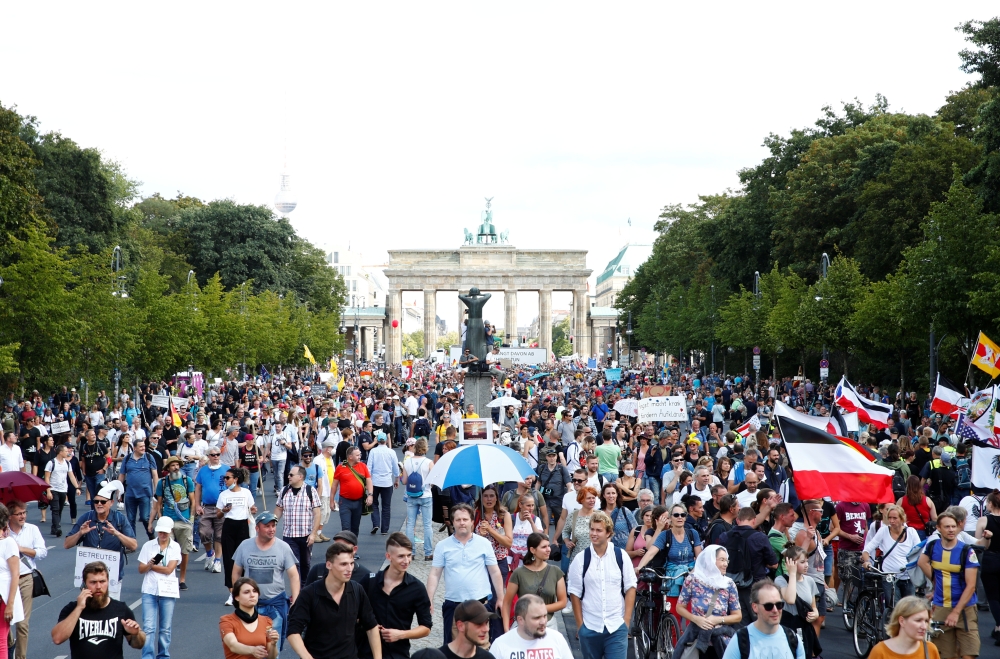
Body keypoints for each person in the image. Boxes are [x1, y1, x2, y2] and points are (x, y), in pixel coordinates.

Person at [286, 541, 382, 659]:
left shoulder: (357, 590)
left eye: (351, 563)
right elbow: (293, 631)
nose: (349, 569)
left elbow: (371, 627)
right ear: (329, 565)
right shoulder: (310, 593)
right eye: (343, 564)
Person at [427, 503, 506, 644]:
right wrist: (429, 599)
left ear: (471, 521)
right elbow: (435, 574)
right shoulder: (442, 546)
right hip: (454, 605)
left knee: (481, 647)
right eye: (458, 520)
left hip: (480, 604)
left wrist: (500, 598)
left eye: (465, 519)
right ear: (452, 522)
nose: (462, 523)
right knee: (453, 648)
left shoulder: (484, 543)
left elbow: (494, 572)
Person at [567, 511, 637, 659]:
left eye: (599, 530)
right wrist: (581, 627)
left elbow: (630, 587)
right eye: (592, 529)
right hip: (590, 627)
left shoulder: (621, 556)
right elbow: (574, 594)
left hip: (616, 627)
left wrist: (626, 621)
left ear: (608, 533)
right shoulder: (580, 559)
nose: (594, 533)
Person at [356, 533, 433, 659]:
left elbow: (426, 627)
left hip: (398, 654)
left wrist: (401, 634)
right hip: (365, 652)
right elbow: (352, 613)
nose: (406, 561)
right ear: (388, 556)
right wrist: (368, 623)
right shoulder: (369, 582)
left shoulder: (417, 588)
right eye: (401, 556)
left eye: (409, 555)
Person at [918, 512, 980, 659]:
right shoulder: (933, 546)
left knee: (968, 654)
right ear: (939, 528)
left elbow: (971, 586)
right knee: (944, 655)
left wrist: (956, 612)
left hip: (965, 610)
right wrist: (936, 585)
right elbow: (921, 562)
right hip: (941, 607)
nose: (951, 530)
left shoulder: (966, 551)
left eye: (954, 526)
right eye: (947, 527)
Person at [232, 512, 299, 648]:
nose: (272, 529)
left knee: (272, 650)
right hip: (250, 607)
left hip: (274, 605)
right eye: (267, 526)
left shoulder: (283, 548)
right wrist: (238, 596)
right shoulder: (245, 546)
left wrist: (296, 601)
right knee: (251, 647)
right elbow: (236, 573)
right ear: (257, 528)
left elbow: (293, 575)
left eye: (273, 526)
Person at [52, 561, 146, 659]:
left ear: (108, 582)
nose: (98, 587)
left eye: (102, 581)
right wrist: (79, 608)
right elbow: (57, 639)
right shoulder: (72, 609)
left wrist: (136, 634)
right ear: (84, 585)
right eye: (93, 582)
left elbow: (138, 645)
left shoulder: (121, 609)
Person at [65, 482, 138, 596]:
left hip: (112, 577)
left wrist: (117, 533)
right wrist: (80, 533)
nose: (99, 504)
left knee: (111, 612)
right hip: (90, 579)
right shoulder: (87, 517)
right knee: (90, 612)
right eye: (96, 501)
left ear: (111, 503)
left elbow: (133, 545)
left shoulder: (119, 519)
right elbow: (67, 544)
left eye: (103, 502)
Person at [673, 545, 742, 659]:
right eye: (722, 560)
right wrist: (696, 619)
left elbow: (738, 616)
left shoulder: (729, 584)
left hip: (721, 640)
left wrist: (718, 619)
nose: (726, 564)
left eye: (726, 560)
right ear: (710, 560)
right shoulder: (693, 580)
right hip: (697, 638)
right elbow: (680, 607)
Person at [720, 579, 806, 659]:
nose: (775, 610)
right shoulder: (740, 640)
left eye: (779, 605)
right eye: (768, 606)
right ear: (755, 607)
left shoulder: (793, 639)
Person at [501, 532, 568, 631]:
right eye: (544, 547)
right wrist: (506, 630)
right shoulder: (519, 573)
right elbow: (506, 603)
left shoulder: (555, 572)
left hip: (548, 626)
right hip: (524, 626)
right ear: (533, 550)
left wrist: (538, 609)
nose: (548, 549)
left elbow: (563, 602)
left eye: (549, 546)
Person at [636, 502, 703, 597]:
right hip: (672, 576)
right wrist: (640, 567)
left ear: (685, 517)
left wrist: (694, 571)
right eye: (676, 515)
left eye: (682, 515)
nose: (679, 517)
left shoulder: (693, 533)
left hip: (691, 577)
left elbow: (700, 557)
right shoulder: (665, 535)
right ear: (670, 518)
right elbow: (651, 552)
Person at [150, 457, 196, 590]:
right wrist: (160, 519)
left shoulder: (187, 481)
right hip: (168, 521)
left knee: (184, 551)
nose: (176, 467)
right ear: (168, 468)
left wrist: (191, 518)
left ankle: (182, 579)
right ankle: (166, 577)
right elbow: (158, 503)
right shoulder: (162, 483)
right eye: (173, 465)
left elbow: (193, 500)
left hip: (184, 520)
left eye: (177, 465)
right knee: (164, 550)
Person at [137, 517, 181, 659]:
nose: (162, 535)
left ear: (171, 532)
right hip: (149, 590)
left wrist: (151, 566)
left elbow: (169, 570)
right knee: (149, 628)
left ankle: (163, 656)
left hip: (168, 591)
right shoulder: (148, 546)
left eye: (165, 533)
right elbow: (141, 569)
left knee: (165, 629)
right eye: (160, 532)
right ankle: (147, 656)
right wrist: (149, 566)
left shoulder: (175, 547)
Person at [274, 465, 322, 585]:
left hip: (305, 535)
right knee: (294, 564)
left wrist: (313, 534)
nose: (288, 476)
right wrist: (272, 524)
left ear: (300, 477)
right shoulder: (284, 490)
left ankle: (304, 587)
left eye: (291, 475)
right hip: (289, 535)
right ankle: (297, 592)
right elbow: (279, 509)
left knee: (305, 564)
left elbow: (317, 514)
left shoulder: (310, 491)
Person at [862, 504, 920, 601]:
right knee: (894, 606)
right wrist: (867, 561)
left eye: (895, 518)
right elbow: (867, 549)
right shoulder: (883, 531)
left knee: (910, 607)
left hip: (908, 575)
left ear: (902, 519)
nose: (891, 521)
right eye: (889, 518)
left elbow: (919, 552)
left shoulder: (911, 532)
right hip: (889, 576)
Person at [9, 499, 44, 659]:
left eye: (24, 513)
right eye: (19, 514)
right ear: (10, 516)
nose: (23, 516)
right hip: (6, 581)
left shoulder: (32, 530)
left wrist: (21, 549)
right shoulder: (3, 532)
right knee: (6, 623)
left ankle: (20, 657)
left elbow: (42, 552)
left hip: (25, 579)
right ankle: (9, 644)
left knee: (22, 623)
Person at [217, 468, 257, 606]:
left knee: (244, 560)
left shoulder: (246, 492)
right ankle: (232, 593)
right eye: (225, 478)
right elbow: (218, 514)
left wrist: (253, 509)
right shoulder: (223, 495)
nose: (225, 480)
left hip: (242, 527)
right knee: (229, 561)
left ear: (235, 479)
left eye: (227, 478)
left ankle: (245, 591)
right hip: (229, 526)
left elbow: (252, 508)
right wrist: (224, 510)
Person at [489, 594, 574, 659]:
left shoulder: (557, 638)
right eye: (536, 618)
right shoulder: (500, 645)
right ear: (520, 620)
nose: (543, 622)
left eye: (544, 616)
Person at [774, 547, 821, 659]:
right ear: (791, 563)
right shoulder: (780, 580)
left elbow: (813, 606)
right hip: (787, 626)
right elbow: (790, 599)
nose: (806, 565)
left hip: (804, 627)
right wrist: (792, 574)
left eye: (806, 561)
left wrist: (815, 614)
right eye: (802, 562)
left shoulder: (809, 581)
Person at [219, 577, 279, 659]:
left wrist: (273, 644)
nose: (252, 595)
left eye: (255, 591)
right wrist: (252, 650)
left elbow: (271, 657)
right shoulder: (227, 621)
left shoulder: (266, 621)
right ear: (237, 597)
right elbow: (233, 645)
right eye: (246, 592)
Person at [869, 596, 941, 659]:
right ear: (902, 621)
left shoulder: (930, 649)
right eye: (918, 620)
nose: (924, 626)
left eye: (926, 621)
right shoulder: (880, 652)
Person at [119, 439, 159, 541]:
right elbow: (122, 475)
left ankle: (151, 534)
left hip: (145, 494)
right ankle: (132, 541)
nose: (143, 448)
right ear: (135, 448)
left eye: (144, 446)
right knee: (130, 519)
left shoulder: (149, 458)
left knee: (145, 517)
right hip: (130, 494)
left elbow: (154, 474)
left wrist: (157, 491)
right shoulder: (127, 459)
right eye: (140, 446)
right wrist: (119, 491)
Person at [194, 447, 226, 574]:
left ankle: (217, 561)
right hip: (207, 506)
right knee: (204, 532)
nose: (216, 457)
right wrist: (197, 505)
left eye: (217, 454)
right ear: (208, 456)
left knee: (219, 535)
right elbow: (198, 488)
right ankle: (209, 553)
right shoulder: (203, 471)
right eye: (213, 455)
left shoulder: (226, 469)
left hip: (222, 508)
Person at [972, 489, 999, 643]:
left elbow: (978, 543)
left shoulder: (983, 520)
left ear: (990, 504)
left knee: (993, 596)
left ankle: (999, 626)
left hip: (990, 558)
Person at [474, 486, 513, 589]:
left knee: (497, 598)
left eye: (492, 496)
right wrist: (479, 536)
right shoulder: (475, 515)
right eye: (485, 496)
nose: (489, 499)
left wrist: (490, 530)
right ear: (481, 498)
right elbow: (469, 542)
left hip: (499, 562)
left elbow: (508, 543)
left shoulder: (504, 515)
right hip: (480, 561)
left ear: (496, 498)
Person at [402, 438, 434, 561]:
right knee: (427, 525)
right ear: (425, 448)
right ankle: (428, 552)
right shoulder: (429, 462)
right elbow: (432, 481)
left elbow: (404, 481)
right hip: (425, 495)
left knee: (410, 525)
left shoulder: (407, 462)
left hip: (411, 495)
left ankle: (411, 552)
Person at [332, 446, 373, 536]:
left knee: (355, 528)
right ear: (350, 457)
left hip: (358, 502)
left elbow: (369, 480)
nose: (360, 456)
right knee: (346, 527)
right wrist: (331, 500)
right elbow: (334, 485)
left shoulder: (363, 466)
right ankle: (347, 548)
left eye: (360, 454)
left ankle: (352, 547)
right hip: (345, 502)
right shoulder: (340, 467)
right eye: (357, 455)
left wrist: (370, 495)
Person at [44, 443, 82, 537]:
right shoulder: (51, 463)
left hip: (63, 489)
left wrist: (77, 487)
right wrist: (48, 491)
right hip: (53, 488)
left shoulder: (67, 463)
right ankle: (57, 528)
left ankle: (54, 527)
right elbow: (47, 477)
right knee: (55, 509)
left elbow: (72, 476)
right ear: (60, 452)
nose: (68, 452)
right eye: (66, 451)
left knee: (60, 508)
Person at [367, 431, 399, 535]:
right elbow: (395, 467)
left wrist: (368, 481)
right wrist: (396, 479)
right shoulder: (391, 452)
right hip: (387, 482)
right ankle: (384, 529)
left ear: (377, 440)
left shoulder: (373, 451)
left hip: (375, 481)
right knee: (386, 506)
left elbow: (369, 467)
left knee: (374, 503)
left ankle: (376, 523)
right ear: (385, 440)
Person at [509, 492, 545, 572]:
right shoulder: (511, 518)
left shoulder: (536, 520)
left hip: (528, 558)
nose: (531, 508)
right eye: (528, 505)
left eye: (532, 505)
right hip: (511, 558)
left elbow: (540, 539)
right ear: (520, 505)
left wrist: (531, 522)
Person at [562, 485, 599, 564]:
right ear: (581, 500)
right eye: (589, 498)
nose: (592, 500)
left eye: (593, 498)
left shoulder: (600, 515)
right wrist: (567, 541)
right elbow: (565, 531)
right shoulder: (573, 515)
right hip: (578, 557)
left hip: (596, 556)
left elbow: (608, 533)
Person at [899, 475, 937, 541]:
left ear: (907, 486)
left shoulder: (901, 501)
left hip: (907, 531)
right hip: (923, 532)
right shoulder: (928, 500)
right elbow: (934, 518)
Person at [599, 482, 636, 549]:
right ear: (604, 495)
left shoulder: (625, 511)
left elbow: (635, 530)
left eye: (613, 493)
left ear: (617, 495)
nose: (611, 496)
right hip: (604, 551)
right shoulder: (599, 513)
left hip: (624, 551)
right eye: (608, 493)